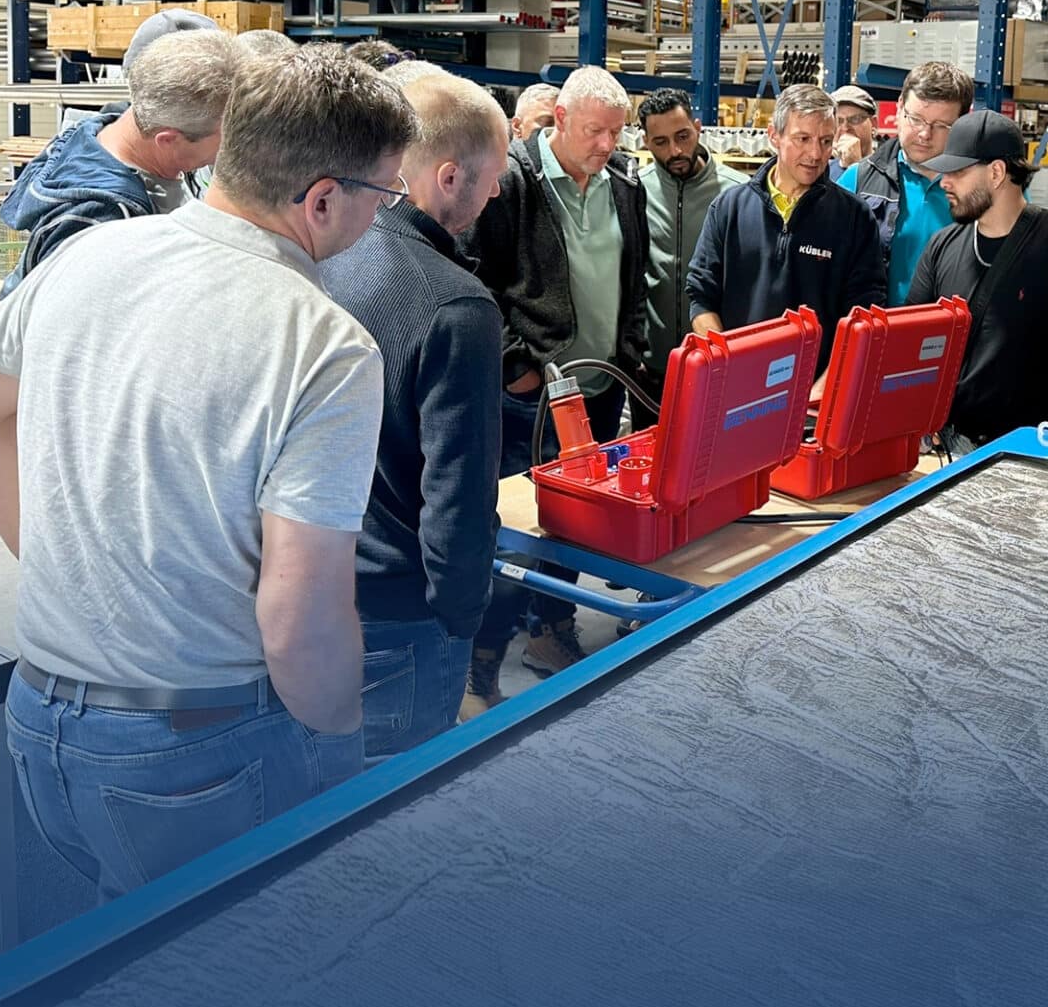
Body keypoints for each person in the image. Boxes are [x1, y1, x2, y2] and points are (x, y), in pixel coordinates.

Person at [0, 47, 419, 899]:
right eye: (383, 195)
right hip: (195, 747)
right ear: (322, 199)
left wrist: (65, 562)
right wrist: (340, 753)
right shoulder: (322, 343)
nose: (381, 217)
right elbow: (303, 618)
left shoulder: (91, 257)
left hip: (40, 717)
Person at [320, 66, 509, 756]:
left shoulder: (318, 254)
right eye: (494, 177)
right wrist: (461, 623)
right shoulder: (456, 306)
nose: (497, 193)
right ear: (451, 176)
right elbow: (456, 505)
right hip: (398, 623)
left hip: (300, 593)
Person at [458, 65, 649, 687]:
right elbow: (475, 279)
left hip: (595, 392)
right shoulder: (510, 181)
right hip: (532, 397)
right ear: (560, 119)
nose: (607, 145)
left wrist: (627, 351)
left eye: (617, 133)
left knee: (574, 525)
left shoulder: (624, 187)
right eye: (596, 131)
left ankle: (549, 630)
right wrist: (518, 366)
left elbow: (635, 280)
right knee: (517, 530)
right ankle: (481, 660)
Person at [905, 111, 1048, 453]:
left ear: (996, 172)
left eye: (958, 172)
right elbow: (914, 347)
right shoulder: (941, 246)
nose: (944, 182)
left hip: (1032, 451)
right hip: (948, 449)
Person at [0, 27, 239, 293]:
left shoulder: (121, 126)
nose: (229, 148)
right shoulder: (98, 222)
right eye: (226, 138)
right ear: (168, 140)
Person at [687, 82, 886, 385]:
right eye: (803, 138)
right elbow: (701, 295)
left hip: (814, 393)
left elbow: (862, 316)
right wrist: (725, 366)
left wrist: (825, 391)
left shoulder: (854, 218)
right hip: (736, 384)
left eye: (825, 140)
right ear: (774, 136)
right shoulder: (729, 208)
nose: (816, 153)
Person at [633, 87, 747, 428]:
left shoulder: (738, 194)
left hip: (718, 368)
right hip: (649, 371)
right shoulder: (634, 191)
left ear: (698, 127)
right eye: (661, 142)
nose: (676, 151)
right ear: (646, 142)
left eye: (683, 136)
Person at [839, 60, 974, 305]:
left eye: (941, 125)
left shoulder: (983, 188)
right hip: (878, 335)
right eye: (916, 119)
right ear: (900, 107)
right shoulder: (857, 180)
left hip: (958, 337)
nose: (925, 134)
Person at [829, 84, 879, 180]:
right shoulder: (822, 172)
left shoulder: (887, 171)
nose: (845, 127)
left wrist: (855, 167)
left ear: (873, 124)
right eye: (838, 121)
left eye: (855, 119)